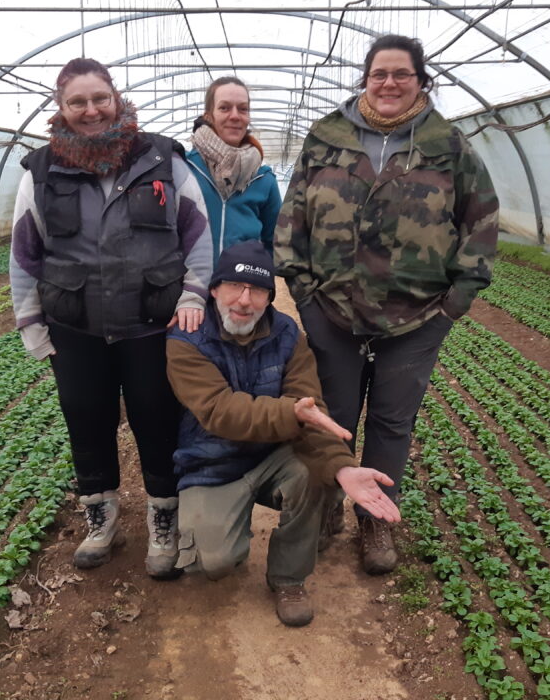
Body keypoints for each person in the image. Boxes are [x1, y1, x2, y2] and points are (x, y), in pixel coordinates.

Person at [274, 34, 499, 575]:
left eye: (403, 73)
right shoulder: (327, 138)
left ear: (422, 80)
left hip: (418, 316)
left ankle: (375, 519)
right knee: (336, 417)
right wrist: (304, 295)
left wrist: (455, 304)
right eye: (380, 73)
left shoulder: (449, 145)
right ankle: (330, 505)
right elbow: (293, 219)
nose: (391, 83)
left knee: (393, 422)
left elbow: (481, 221)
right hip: (332, 310)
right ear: (365, 78)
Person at [9, 58, 213, 580]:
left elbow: (197, 236)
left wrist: (192, 297)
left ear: (117, 99)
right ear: (61, 109)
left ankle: (163, 520)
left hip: (151, 322)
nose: (91, 110)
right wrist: (31, 324)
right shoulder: (41, 171)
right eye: (77, 101)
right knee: (86, 418)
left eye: (100, 98)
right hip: (75, 326)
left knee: (156, 418)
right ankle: (101, 519)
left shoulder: (162, 159)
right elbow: (25, 253)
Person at [166, 240, 400, 626]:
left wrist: (341, 467)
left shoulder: (287, 333)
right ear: (213, 289)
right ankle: (226, 526)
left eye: (258, 291)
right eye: (234, 287)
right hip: (212, 462)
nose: (244, 300)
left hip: (273, 456)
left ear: (270, 298)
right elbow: (221, 411)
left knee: (314, 473)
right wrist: (291, 413)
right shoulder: (187, 338)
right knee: (216, 562)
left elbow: (312, 411)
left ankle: (289, 578)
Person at [186, 76, 282, 265]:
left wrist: (256, 281)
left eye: (243, 109)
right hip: (189, 290)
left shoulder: (263, 179)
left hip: (241, 291)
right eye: (224, 108)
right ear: (208, 116)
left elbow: (277, 244)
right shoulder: (186, 168)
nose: (235, 116)